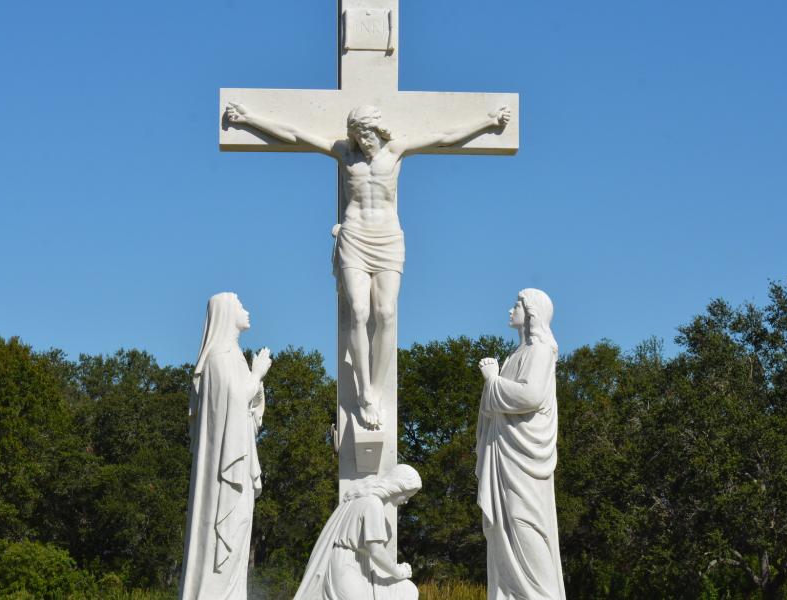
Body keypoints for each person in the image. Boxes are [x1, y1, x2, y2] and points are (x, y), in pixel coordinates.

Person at [224, 102, 510, 429]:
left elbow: (444, 136)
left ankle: (376, 385)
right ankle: (365, 391)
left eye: (368, 134)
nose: (365, 141)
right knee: (359, 311)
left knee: (386, 313)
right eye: (359, 135)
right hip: (355, 236)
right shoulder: (344, 153)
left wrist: (487, 121)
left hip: (388, 238)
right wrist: (248, 118)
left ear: (377, 130)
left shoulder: (396, 151)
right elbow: (294, 133)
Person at [179, 292, 272, 600]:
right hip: (225, 467)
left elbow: (247, 412)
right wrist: (257, 375)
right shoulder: (219, 357)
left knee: (241, 525)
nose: (247, 310)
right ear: (227, 313)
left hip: (240, 458)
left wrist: (255, 384)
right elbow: (234, 399)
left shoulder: (234, 356)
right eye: (240, 305)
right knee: (229, 526)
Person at [476, 289, 566, 600]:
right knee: (504, 525)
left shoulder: (540, 351)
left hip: (526, 457)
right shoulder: (514, 356)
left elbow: (530, 396)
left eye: (517, 303)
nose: (511, 309)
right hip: (505, 451)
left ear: (531, 312)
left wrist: (493, 381)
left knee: (522, 519)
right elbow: (496, 406)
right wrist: (495, 382)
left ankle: (541, 593)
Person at [293, 464, 422, 600]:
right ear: (398, 487)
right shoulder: (373, 504)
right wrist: (398, 572)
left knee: (406, 590)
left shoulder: (360, 497)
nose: (406, 501)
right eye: (407, 495)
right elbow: (377, 551)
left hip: (351, 564)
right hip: (348, 567)